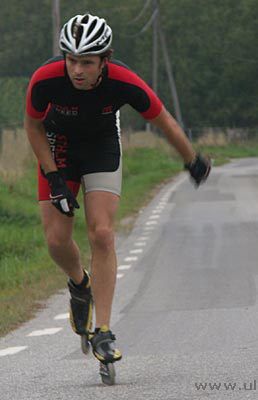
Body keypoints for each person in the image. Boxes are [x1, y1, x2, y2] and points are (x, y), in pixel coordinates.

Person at [25, 14, 210, 365]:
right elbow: (32, 126)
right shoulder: (46, 79)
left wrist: (191, 160)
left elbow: (163, 119)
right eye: (71, 60)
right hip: (57, 147)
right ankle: (80, 286)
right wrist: (54, 178)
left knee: (103, 232)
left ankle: (104, 331)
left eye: (87, 62)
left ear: (104, 61)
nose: (77, 70)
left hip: (101, 147)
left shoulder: (124, 81)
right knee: (56, 240)